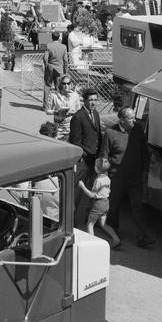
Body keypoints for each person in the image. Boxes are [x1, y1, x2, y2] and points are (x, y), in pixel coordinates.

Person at [103, 107, 154, 247]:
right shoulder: (110, 133)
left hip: (135, 177)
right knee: (114, 206)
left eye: (134, 117)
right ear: (122, 120)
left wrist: (144, 171)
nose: (134, 120)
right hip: (117, 177)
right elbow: (104, 155)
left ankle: (142, 236)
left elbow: (144, 152)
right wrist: (104, 176)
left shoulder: (138, 130)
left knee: (137, 207)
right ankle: (114, 231)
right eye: (131, 118)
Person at [68, 89, 107, 228]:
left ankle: (87, 218)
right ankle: (71, 221)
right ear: (84, 101)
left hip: (94, 159)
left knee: (92, 191)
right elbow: (75, 141)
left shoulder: (95, 113)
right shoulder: (78, 117)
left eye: (95, 100)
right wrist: (84, 155)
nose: (93, 103)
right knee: (78, 192)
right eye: (90, 100)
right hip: (84, 160)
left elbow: (98, 135)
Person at [80, 157, 122, 249]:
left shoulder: (98, 181)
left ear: (97, 168)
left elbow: (92, 195)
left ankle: (92, 245)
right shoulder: (107, 177)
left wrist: (82, 186)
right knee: (103, 224)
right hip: (106, 203)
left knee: (90, 224)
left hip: (98, 204)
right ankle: (116, 239)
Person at [42, 31, 69, 111]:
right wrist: (66, 71)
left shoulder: (49, 46)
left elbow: (45, 58)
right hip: (59, 69)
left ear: (52, 37)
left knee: (47, 86)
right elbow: (65, 60)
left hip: (50, 68)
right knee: (58, 88)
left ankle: (46, 106)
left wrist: (47, 65)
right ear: (59, 37)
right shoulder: (63, 47)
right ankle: (58, 106)